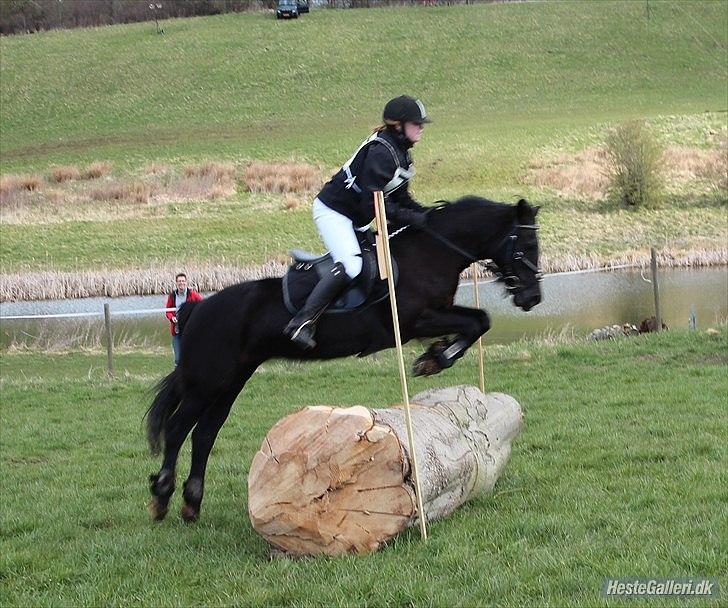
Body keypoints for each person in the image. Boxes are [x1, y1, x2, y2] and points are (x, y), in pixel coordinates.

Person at [284, 95, 431, 349]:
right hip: (334, 212)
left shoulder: (401, 155)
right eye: (416, 123)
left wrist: (429, 217)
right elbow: (374, 203)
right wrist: (415, 218)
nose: (421, 128)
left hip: (356, 218)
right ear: (398, 125)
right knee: (351, 265)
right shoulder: (381, 153)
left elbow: (402, 198)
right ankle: (301, 323)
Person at [165, 273, 203, 366]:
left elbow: (202, 306)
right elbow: (168, 311)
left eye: (183, 281)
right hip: (177, 331)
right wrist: (172, 318)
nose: (181, 283)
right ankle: (178, 377)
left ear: (186, 282)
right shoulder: (172, 296)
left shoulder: (193, 294)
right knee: (178, 359)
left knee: (191, 356)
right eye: (179, 281)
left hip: (190, 330)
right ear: (176, 283)